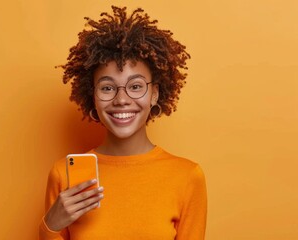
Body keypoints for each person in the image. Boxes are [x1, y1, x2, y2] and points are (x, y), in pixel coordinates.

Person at [39, 6, 207, 240]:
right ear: (93, 96)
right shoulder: (63, 175)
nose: (121, 100)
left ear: (155, 94)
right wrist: (50, 226)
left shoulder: (188, 177)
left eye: (136, 86)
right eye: (107, 88)